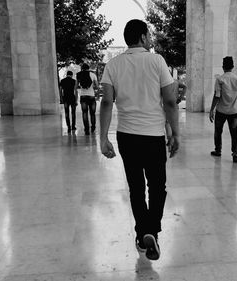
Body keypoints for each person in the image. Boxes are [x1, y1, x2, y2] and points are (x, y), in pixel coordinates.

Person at [99, 19, 179, 261]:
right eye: (149, 34)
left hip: (127, 136)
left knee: (136, 187)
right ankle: (151, 229)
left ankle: (142, 232)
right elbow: (170, 101)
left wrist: (103, 138)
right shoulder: (157, 61)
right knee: (157, 186)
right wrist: (175, 133)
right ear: (143, 37)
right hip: (153, 136)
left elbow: (106, 103)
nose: (151, 38)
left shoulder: (112, 65)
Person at [209, 56, 237, 163]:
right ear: (232, 67)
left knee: (218, 131)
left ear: (223, 66)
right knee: (234, 133)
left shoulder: (220, 79)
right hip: (234, 111)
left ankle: (218, 150)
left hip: (221, 110)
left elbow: (217, 96)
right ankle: (235, 154)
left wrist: (211, 109)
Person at [77, 63, 99, 135]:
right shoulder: (93, 75)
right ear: (88, 68)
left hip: (83, 96)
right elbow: (97, 86)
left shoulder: (78, 75)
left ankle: (86, 129)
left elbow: (76, 86)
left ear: (82, 68)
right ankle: (93, 127)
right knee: (92, 113)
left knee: (84, 113)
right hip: (91, 96)